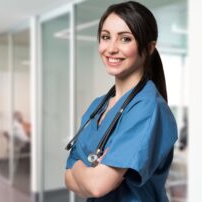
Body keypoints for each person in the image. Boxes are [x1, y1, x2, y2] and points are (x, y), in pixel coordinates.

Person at [64, 1, 178, 202]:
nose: (111, 48)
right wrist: (87, 173)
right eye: (106, 37)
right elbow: (67, 178)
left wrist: (79, 168)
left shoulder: (148, 108)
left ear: (149, 47)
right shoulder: (98, 106)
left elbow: (97, 185)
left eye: (125, 39)